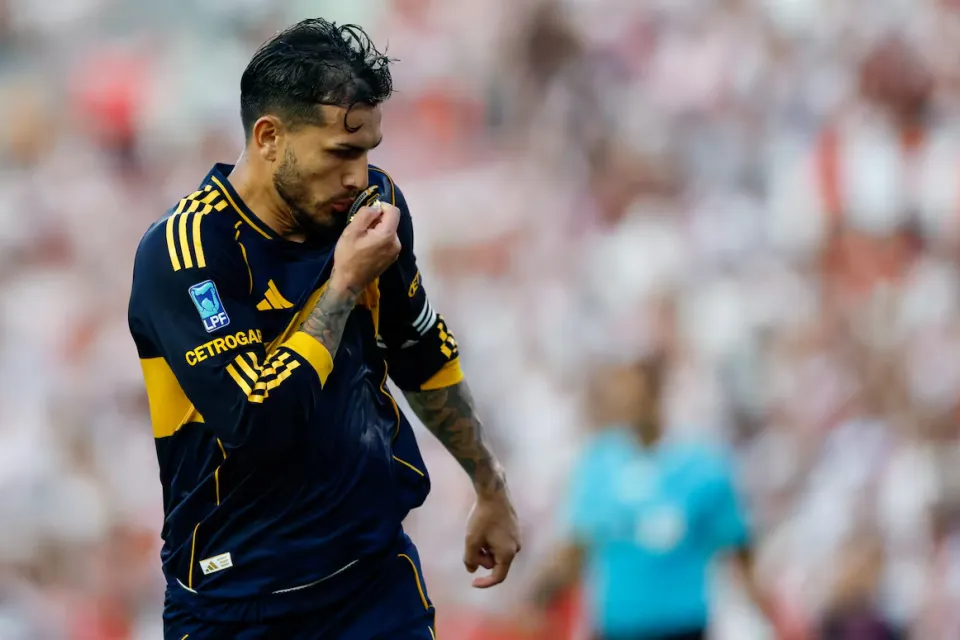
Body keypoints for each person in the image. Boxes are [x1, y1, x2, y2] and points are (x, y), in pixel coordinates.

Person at [127, 19, 520, 640]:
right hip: (234, 607)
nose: (359, 176)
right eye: (340, 153)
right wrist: (342, 286)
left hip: (373, 588)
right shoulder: (186, 252)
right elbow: (256, 423)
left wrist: (489, 484)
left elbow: (419, 349)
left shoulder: (371, 208)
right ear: (269, 137)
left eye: (367, 152)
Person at [527, 356, 773, 640]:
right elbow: (576, 546)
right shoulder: (599, 464)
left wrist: (766, 614)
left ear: (655, 392)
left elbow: (739, 550)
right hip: (617, 626)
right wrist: (540, 597)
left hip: (682, 624)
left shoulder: (702, 467)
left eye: (632, 391)